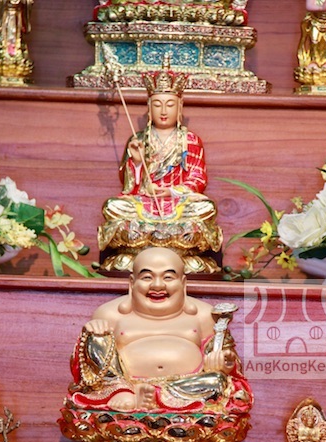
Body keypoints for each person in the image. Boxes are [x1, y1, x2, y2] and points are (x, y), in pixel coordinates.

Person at [69, 247, 252, 414]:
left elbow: (230, 363)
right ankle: (120, 392)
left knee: (217, 382)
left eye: (168, 277)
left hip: (185, 387)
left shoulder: (205, 315)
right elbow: (89, 365)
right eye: (147, 277)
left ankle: (155, 396)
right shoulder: (109, 314)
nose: (157, 286)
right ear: (132, 283)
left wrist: (225, 363)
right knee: (95, 337)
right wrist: (92, 332)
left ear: (183, 283)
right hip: (126, 388)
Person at [98, 57, 223, 274]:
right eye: (157, 105)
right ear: (149, 108)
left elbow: (198, 178)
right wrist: (137, 163)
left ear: (180, 106)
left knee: (206, 208)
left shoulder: (190, 140)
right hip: (145, 201)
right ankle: (170, 254)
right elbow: (129, 187)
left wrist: (172, 191)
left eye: (170, 105)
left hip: (178, 202)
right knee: (113, 207)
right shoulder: (138, 140)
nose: (163, 111)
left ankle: (142, 254)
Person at [0, 0, 34, 84]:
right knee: (0, 40)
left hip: (16, 19)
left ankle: (16, 58)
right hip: (4, 20)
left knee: (16, 38)